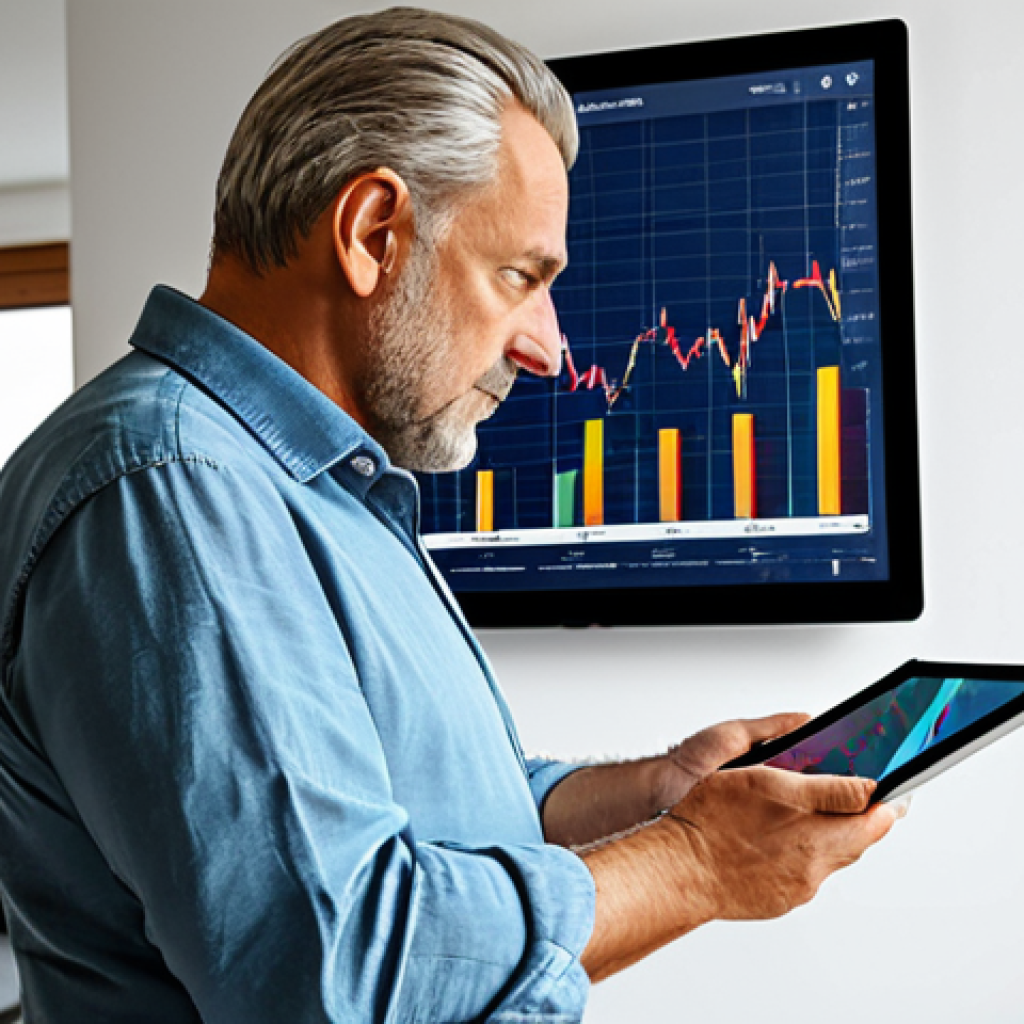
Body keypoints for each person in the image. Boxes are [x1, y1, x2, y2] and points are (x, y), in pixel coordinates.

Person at [0, 8, 901, 1022]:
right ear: (372, 233)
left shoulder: (322, 484)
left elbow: (430, 804)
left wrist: (657, 794)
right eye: (520, 275)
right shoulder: (171, 494)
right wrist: (692, 863)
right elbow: (335, 970)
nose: (549, 349)